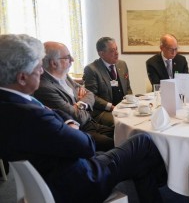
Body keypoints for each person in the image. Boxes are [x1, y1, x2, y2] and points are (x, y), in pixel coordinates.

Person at [0, 34, 167, 203]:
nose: (42, 71)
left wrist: (68, 117)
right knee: (142, 140)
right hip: (79, 181)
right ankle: (164, 181)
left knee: (140, 163)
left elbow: (75, 104)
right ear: (22, 77)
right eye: (38, 67)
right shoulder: (34, 116)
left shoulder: (10, 105)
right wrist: (71, 123)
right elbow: (87, 145)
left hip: (55, 172)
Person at [34, 41, 114, 152]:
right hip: (78, 133)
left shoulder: (64, 75)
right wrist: (83, 105)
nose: (72, 60)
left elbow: (89, 94)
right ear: (53, 63)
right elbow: (77, 119)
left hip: (90, 124)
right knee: (115, 144)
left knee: (123, 134)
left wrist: (80, 103)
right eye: (67, 57)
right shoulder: (44, 88)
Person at [83, 37, 133, 127]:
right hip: (103, 111)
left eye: (116, 49)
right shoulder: (92, 69)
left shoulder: (122, 64)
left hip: (123, 107)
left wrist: (130, 102)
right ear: (101, 53)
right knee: (124, 123)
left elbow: (128, 88)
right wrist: (111, 107)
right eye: (112, 51)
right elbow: (91, 96)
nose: (117, 53)